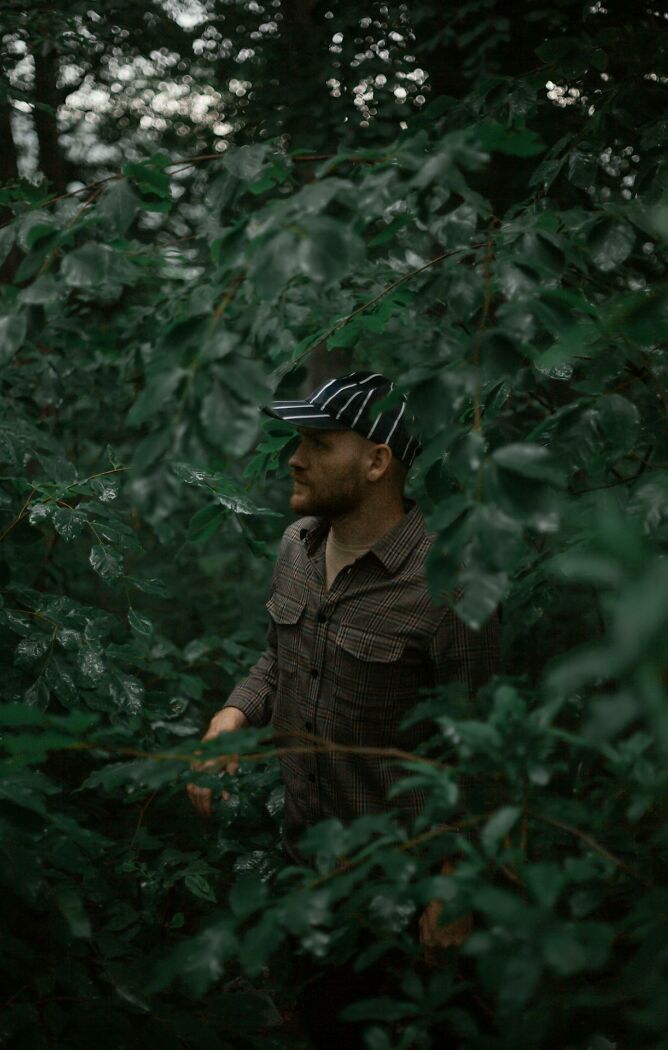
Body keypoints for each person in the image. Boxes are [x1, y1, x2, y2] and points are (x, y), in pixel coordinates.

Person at [187, 371, 499, 1037]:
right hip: (304, 873)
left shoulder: (450, 585)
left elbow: (480, 745)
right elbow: (279, 656)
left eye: (318, 443)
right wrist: (231, 716)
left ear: (377, 461)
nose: (294, 458)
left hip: (404, 901)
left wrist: (455, 883)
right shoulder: (296, 547)